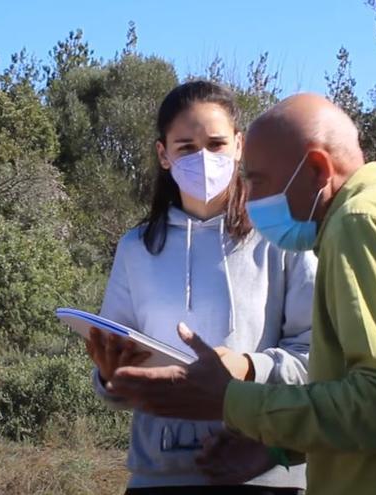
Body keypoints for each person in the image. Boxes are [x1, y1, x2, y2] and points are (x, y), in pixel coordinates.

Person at [108, 93, 376, 494]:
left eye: (258, 180)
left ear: (318, 169)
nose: (251, 195)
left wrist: (232, 400)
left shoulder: (362, 225)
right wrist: (278, 447)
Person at [85, 80, 317, 494]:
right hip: (158, 475)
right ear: (164, 154)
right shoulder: (137, 247)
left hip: (264, 473)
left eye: (216, 144)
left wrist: (248, 367)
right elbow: (117, 370)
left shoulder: (281, 237)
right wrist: (110, 377)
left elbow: (317, 354)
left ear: (239, 146)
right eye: (187, 147)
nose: (204, 159)